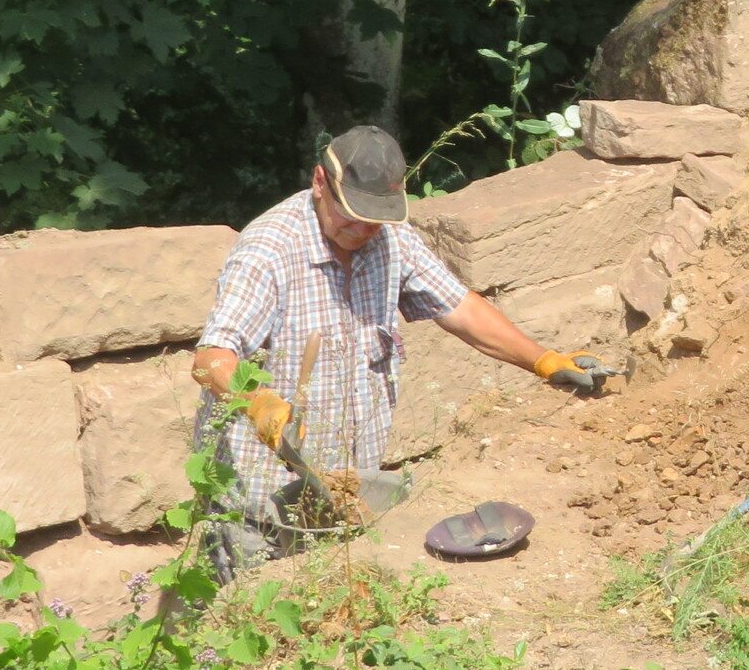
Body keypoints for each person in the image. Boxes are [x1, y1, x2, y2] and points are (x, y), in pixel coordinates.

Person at [189, 124, 610, 570]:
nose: (363, 229)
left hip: (348, 497)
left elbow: (460, 308)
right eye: (352, 213)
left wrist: (543, 360)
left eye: (375, 217)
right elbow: (210, 357)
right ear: (319, 182)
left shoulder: (391, 238)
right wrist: (258, 403)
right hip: (262, 505)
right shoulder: (267, 252)